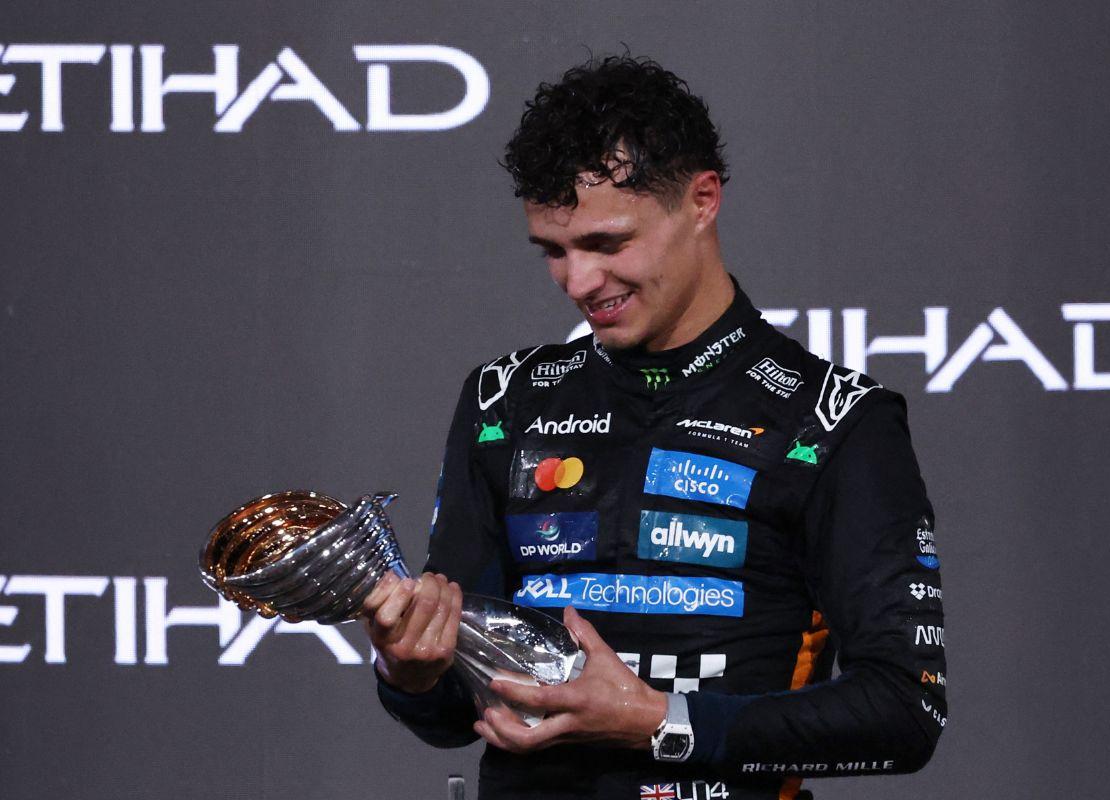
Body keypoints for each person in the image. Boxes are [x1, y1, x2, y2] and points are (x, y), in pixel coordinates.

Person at [361, 55, 946, 800]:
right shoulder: (504, 401)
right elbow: (451, 714)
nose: (578, 282)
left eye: (607, 244)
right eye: (555, 251)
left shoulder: (835, 419)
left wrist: (661, 722)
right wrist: (409, 670)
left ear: (702, 201)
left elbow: (906, 711)